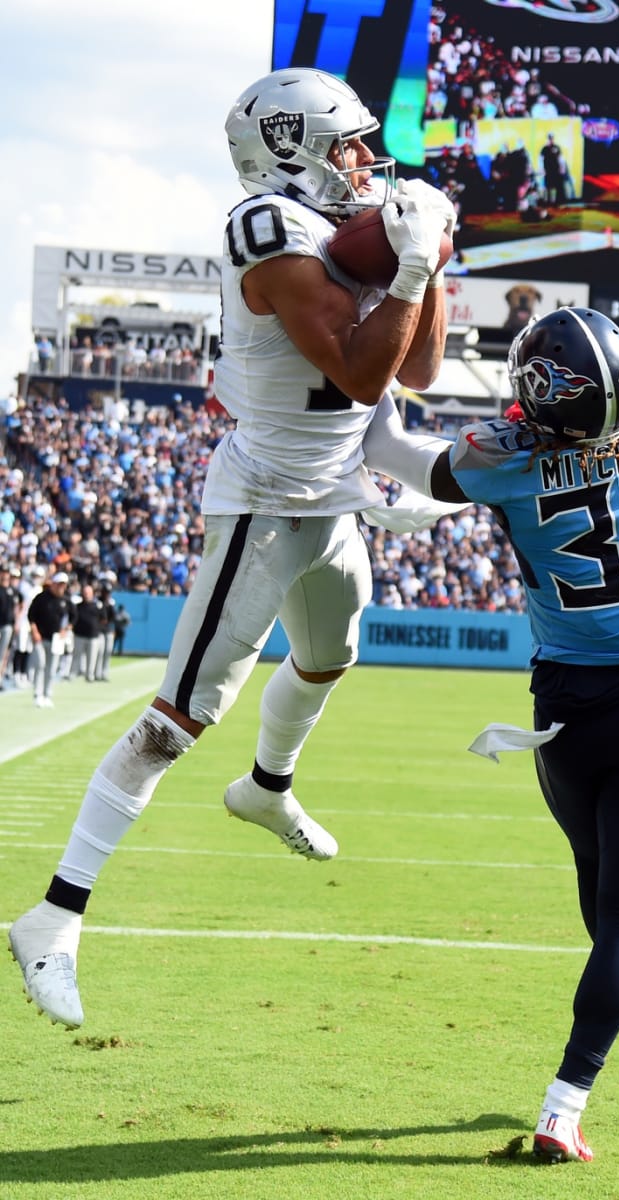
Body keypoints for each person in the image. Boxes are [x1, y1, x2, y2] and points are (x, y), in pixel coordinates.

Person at [7, 67, 457, 1031]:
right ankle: (53, 916)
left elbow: (416, 366)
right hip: (264, 502)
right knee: (174, 721)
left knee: (333, 655)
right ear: (290, 147)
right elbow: (358, 362)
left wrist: (436, 257)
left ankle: (267, 789)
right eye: (346, 145)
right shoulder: (265, 227)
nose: (366, 161)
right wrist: (410, 270)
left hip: (334, 489)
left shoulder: (339, 228)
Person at [362, 306, 619, 1162]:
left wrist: (370, 384)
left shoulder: (502, 458)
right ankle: (565, 1102)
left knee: (598, 884)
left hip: (562, 709)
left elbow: (399, 457)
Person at [27, 571, 72, 709]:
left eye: (63, 585)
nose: (61, 588)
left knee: (51, 669)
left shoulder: (65, 600)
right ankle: (37, 695)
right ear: (53, 584)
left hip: (56, 639)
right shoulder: (41, 598)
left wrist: (66, 630)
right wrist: (34, 632)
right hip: (40, 637)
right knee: (40, 665)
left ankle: (47, 694)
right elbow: (31, 616)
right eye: (59, 584)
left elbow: (74, 616)